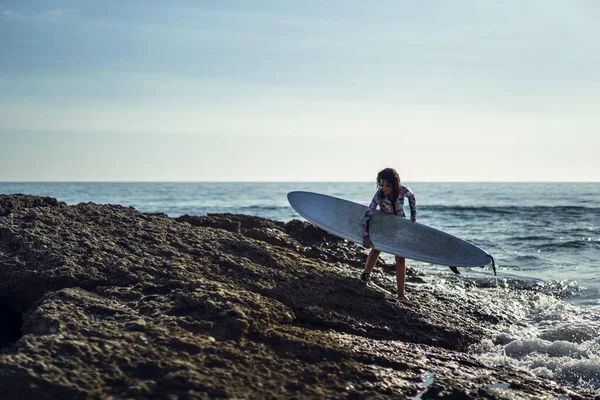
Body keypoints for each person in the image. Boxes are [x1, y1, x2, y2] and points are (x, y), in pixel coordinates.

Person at [360, 168, 416, 302]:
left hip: (399, 225)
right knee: (376, 249)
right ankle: (365, 275)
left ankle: (401, 293)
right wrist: (365, 236)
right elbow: (367, 217)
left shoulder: (403, 191)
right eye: (381, 185)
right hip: (385, 224)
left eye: (387, 185)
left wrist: (413, 213)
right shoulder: (379, 196)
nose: (384, 188)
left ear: (394, 184)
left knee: (400, 258)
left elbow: (412, 195)